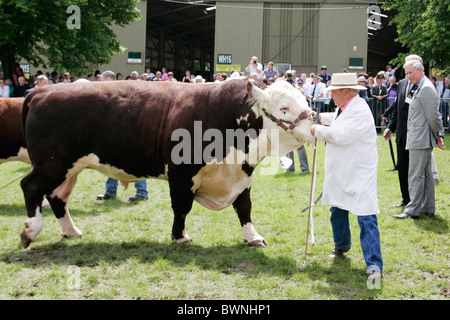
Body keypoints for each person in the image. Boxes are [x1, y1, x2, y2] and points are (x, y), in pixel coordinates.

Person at [310, 72, 383, 281]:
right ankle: (341, 245)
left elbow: (341, 135)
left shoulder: (359, 110)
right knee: (337, 209)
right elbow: (338, 120)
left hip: (359, 172)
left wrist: (317, 129)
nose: (331, 95)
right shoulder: (346, 108)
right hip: (344, 171)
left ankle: (374, 266)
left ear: (345, 91)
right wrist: (315, 116)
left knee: (366, 217)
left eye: (333, 91)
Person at [392, 60, 445, 219]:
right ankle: (428, 207)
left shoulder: (426, 88)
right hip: (420, 138)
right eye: (406, 73)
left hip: (420, 138)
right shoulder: (421, 86)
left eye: (410, 73)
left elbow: (434, 116)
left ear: (420, 70)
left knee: (415, 175)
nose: (408, 77)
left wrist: (439, 134)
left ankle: (412, 209)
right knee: (427, 175)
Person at [96, 70, 149, 202]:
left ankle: (142, 192)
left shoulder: (121, 92)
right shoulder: (113, 93)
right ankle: (111, 191)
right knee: (113, 162)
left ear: (108, 80)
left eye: (102, 81)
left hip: (129, 133)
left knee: (136, 162)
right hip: (117, 133)